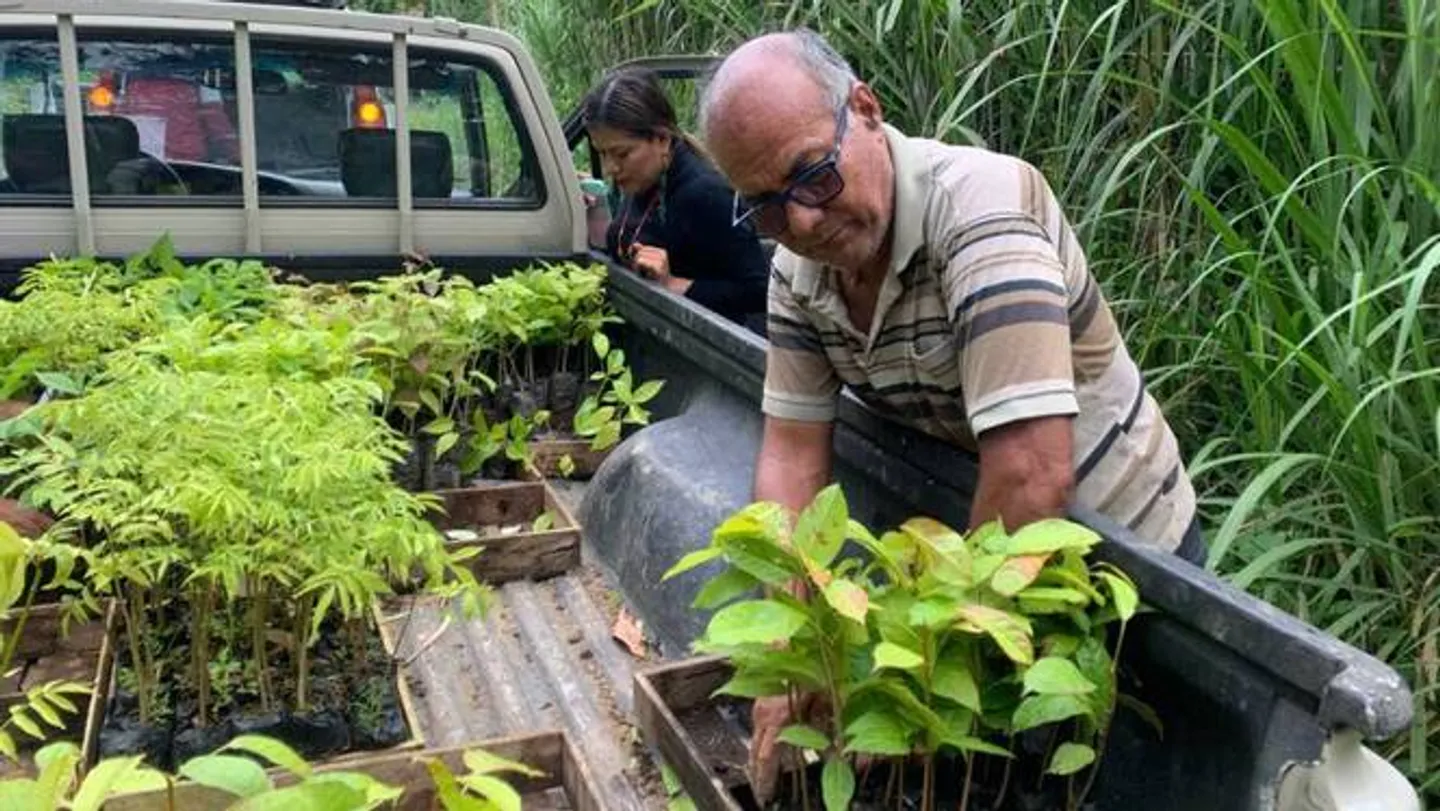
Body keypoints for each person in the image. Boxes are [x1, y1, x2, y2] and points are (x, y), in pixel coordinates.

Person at [697, 29, 1205, 802]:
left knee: (1102, 767)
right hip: (990, 548)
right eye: (765, 208)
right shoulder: (800, 270)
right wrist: (795, 650)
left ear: (864, 109)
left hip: (1124, 547)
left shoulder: (983, 215)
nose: (800, 224)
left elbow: (1033, 475)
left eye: (815, 176)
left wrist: (908, 674)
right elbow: (792, 460)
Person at [580, 67, 769, 331]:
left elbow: (759, 291)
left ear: (662, 139)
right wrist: (594, 206)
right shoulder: (646, 181)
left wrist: (673, 284)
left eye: (621, 154)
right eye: (602, 154)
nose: (611, 167)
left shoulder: (704, 194)